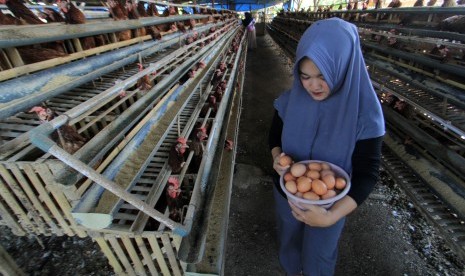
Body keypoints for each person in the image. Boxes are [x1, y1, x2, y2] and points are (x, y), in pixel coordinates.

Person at [268, 18, 385, 276]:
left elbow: (368, 173)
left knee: (319, 254)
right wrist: (277, 157)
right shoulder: (292, 99)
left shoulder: (365, 114)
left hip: (331, 205)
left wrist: (331, 217)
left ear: (345, 67)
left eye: (324, 75)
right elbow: (274, 136)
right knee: (289, 240)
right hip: (287, 193)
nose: (313, 86)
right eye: (305, 76)